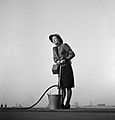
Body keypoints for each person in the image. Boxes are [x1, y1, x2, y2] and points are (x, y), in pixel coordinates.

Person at [49, 34, 75, 109]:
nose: (54, 41)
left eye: (55, 39)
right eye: (52, 40)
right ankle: (61, 103)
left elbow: (72, 54)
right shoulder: (54, 49)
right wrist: (57, 61)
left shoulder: (64, 45)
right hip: (60, 68)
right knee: (62, 87)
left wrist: (65, 59)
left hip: (67, 67)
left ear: (59, 39)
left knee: (68, 86)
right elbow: (54, 58)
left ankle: (67, 103)